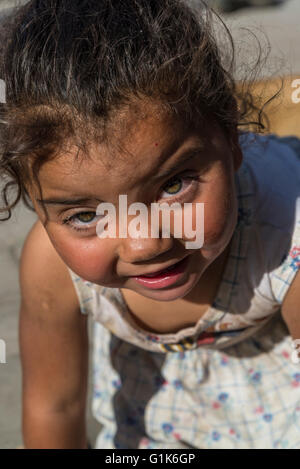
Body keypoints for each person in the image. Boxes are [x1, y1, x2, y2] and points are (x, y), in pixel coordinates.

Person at [0, 0, 299, 450]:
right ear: (37, 207)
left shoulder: (288, 236)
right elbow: (54, 406)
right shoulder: (50, 267)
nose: (146, 244)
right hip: (157, 390)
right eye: (86, 215)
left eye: (175, 184)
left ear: (232, 141)